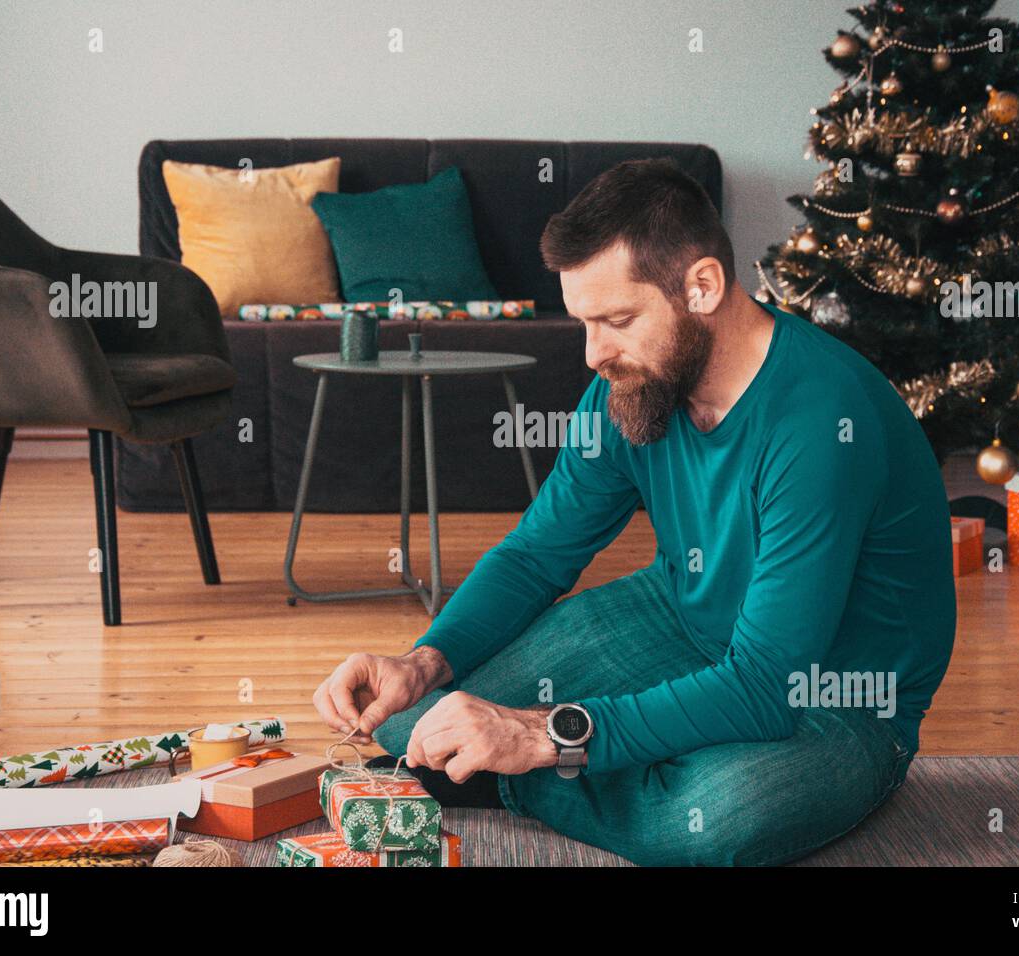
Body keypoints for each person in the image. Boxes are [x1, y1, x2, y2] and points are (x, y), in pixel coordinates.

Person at [313, 158, 956, 866]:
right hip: (679, 615)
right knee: (414, 724)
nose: (594, 355)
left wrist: (536, 736)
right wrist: (425, 660)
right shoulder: (635, 383)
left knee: (714, 820)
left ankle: (527, 777)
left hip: (834, 696)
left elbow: (768, 686)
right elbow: (537, 554)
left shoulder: (821, 423)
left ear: (702, 286)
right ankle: (593, 770)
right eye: (585, 323)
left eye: (617, 320)